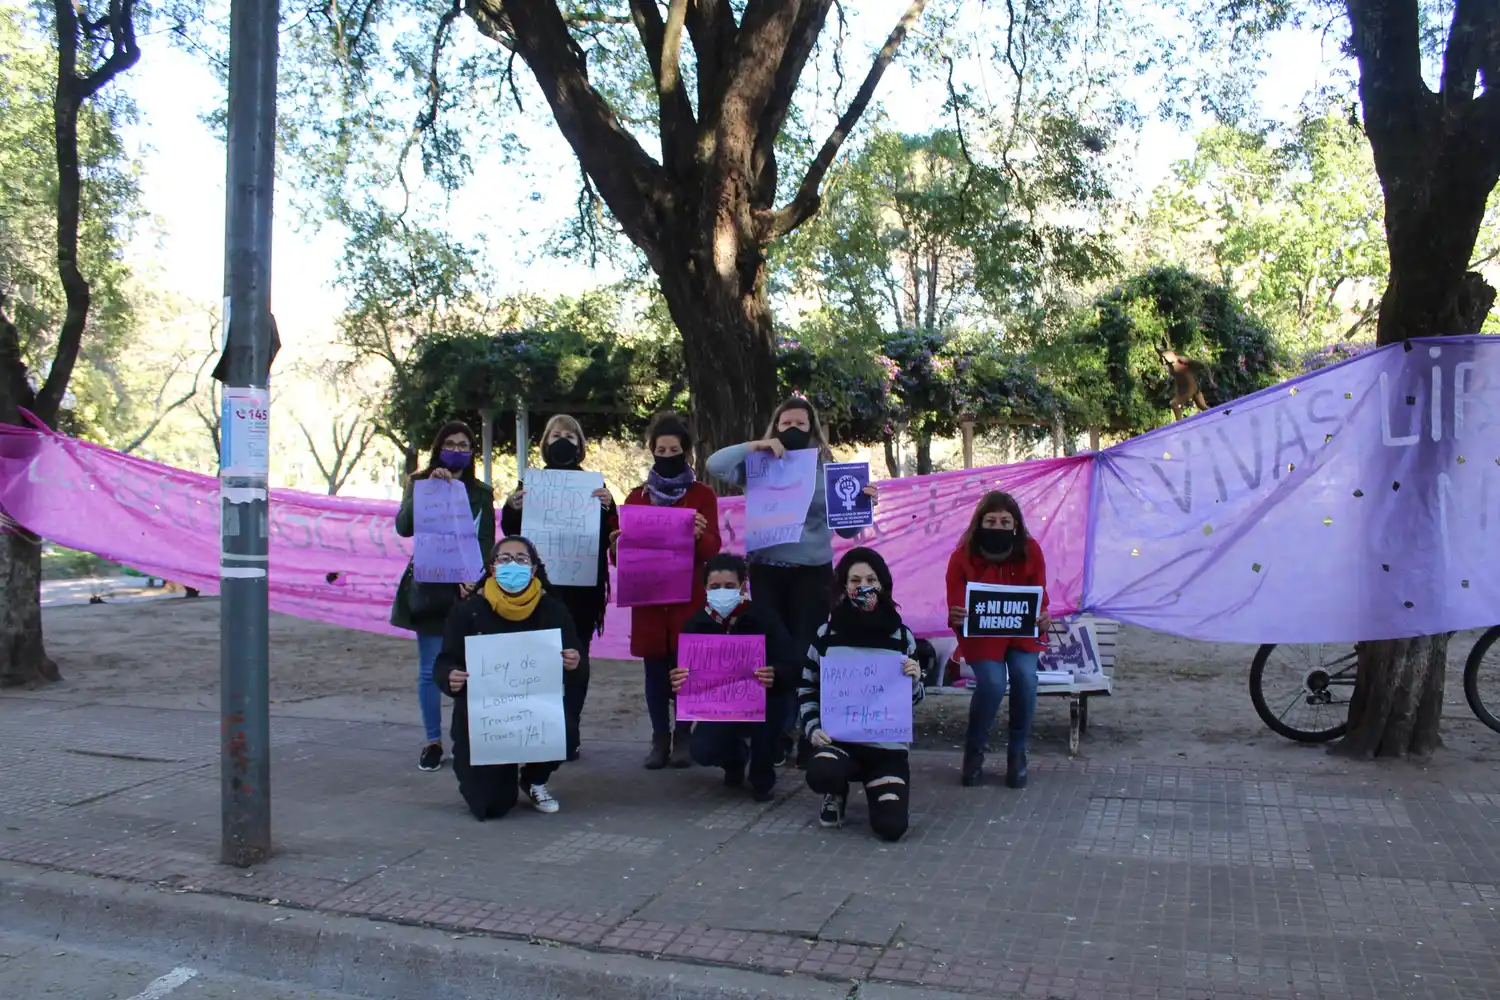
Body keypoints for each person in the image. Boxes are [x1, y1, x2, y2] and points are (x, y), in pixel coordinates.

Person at [706, 397, 878, 767]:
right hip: (767, 570)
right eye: (786, 424)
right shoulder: (758, 467)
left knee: (805, 654)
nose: (793, 430)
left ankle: (808, 732)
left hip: (812, 574)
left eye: (801, 424)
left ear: (813, 429)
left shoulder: (828, 471)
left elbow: (847, 530)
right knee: (772, 653)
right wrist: (755, 446)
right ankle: (777, 733)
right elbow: (713, 464)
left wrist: (863, 505)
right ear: (775, 428)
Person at [432, 536, 583, 820]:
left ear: (534, 569)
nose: (512, 565)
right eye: (504, 559)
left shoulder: (552, 610)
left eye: (521, 559)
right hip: (484, 717)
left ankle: (534, 779)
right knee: (491, 806)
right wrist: (449, 677)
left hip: (536, 709)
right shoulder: (469, 611)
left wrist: (573, 661)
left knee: (566, 731)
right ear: (492, 568)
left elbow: (576, 657)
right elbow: (444, 661)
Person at [502, 414, 617, 763]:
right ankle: (540, 728)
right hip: (539, 589)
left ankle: (570, 729)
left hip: (583, 591)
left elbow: (610, 535)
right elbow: (512, 533)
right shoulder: (529, 483)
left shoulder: (595, 486)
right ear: (545, 443)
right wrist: (512, 506)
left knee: (575, 657)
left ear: (580, 445)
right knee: (538, 659)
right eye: (556, 434)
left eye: (570, 435)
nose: (562, 439)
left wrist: (609, 509)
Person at [613, 414, 722, 769]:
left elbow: (712, 550)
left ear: (687, 453)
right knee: (654, 673)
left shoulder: (702, 495)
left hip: (687, 597)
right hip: (648, 601)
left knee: (686, 668)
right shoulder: (635, 497)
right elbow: (620, 559)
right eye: (660, 449)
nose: (667, 454)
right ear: (652, 452)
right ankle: (660, 736)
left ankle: (684, 735)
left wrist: (699, 536)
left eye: (674, 449)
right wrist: (616, 545)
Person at [798, 548, 924, 842]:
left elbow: (914, 700)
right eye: (855, 580)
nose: (863, 586)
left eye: (871, 579)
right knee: (821, 773)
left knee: (891, 828)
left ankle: (876, 788)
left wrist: (916, 682)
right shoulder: (826, 634)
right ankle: (835, 790)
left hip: (886, 748)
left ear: (883, 585)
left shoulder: (902, 636)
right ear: (844, 586)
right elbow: (807, 686)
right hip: (841, 742)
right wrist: (813, 728)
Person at [391, 421, 496, 773]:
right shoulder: (420, 483)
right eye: (451, 444)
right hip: (431, 588)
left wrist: (476, 578)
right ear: (438, 448)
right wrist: (428, 489)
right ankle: (432, 741)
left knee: (472, 667)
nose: (458, 450)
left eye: (465, 445)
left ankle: (469, 737)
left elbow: (485, 540)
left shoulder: (481, 491)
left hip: (467, 589)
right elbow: (404, 527)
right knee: (429, 669)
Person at [669, 553, 800, 801]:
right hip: (721, 707)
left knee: (762, 783)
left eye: (730, 586)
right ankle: (735, 759)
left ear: (743, 587)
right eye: (715, 587)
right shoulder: (696, 625)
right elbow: (679, 673)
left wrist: (776, 673)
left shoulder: (764, 617)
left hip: (766, 703)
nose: (722, 592)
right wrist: (676, 680)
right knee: (703, 751)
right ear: (705, 588)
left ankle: (762, 767)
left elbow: (792, 663)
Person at [945, 491, 1052, 789]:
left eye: (1005, 521)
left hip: (1021, 633)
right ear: (979, 523)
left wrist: (1043, 616)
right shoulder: (961, 556)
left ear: (1016, 525)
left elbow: (1040, 598)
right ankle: (974, 750)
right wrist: (957, 614)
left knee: (1025, 677)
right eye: (991, 520)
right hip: (982, 634)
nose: (998, 526)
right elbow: (955, 604)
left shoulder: (1032, 551)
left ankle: (1018, 752)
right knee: (992, 682)